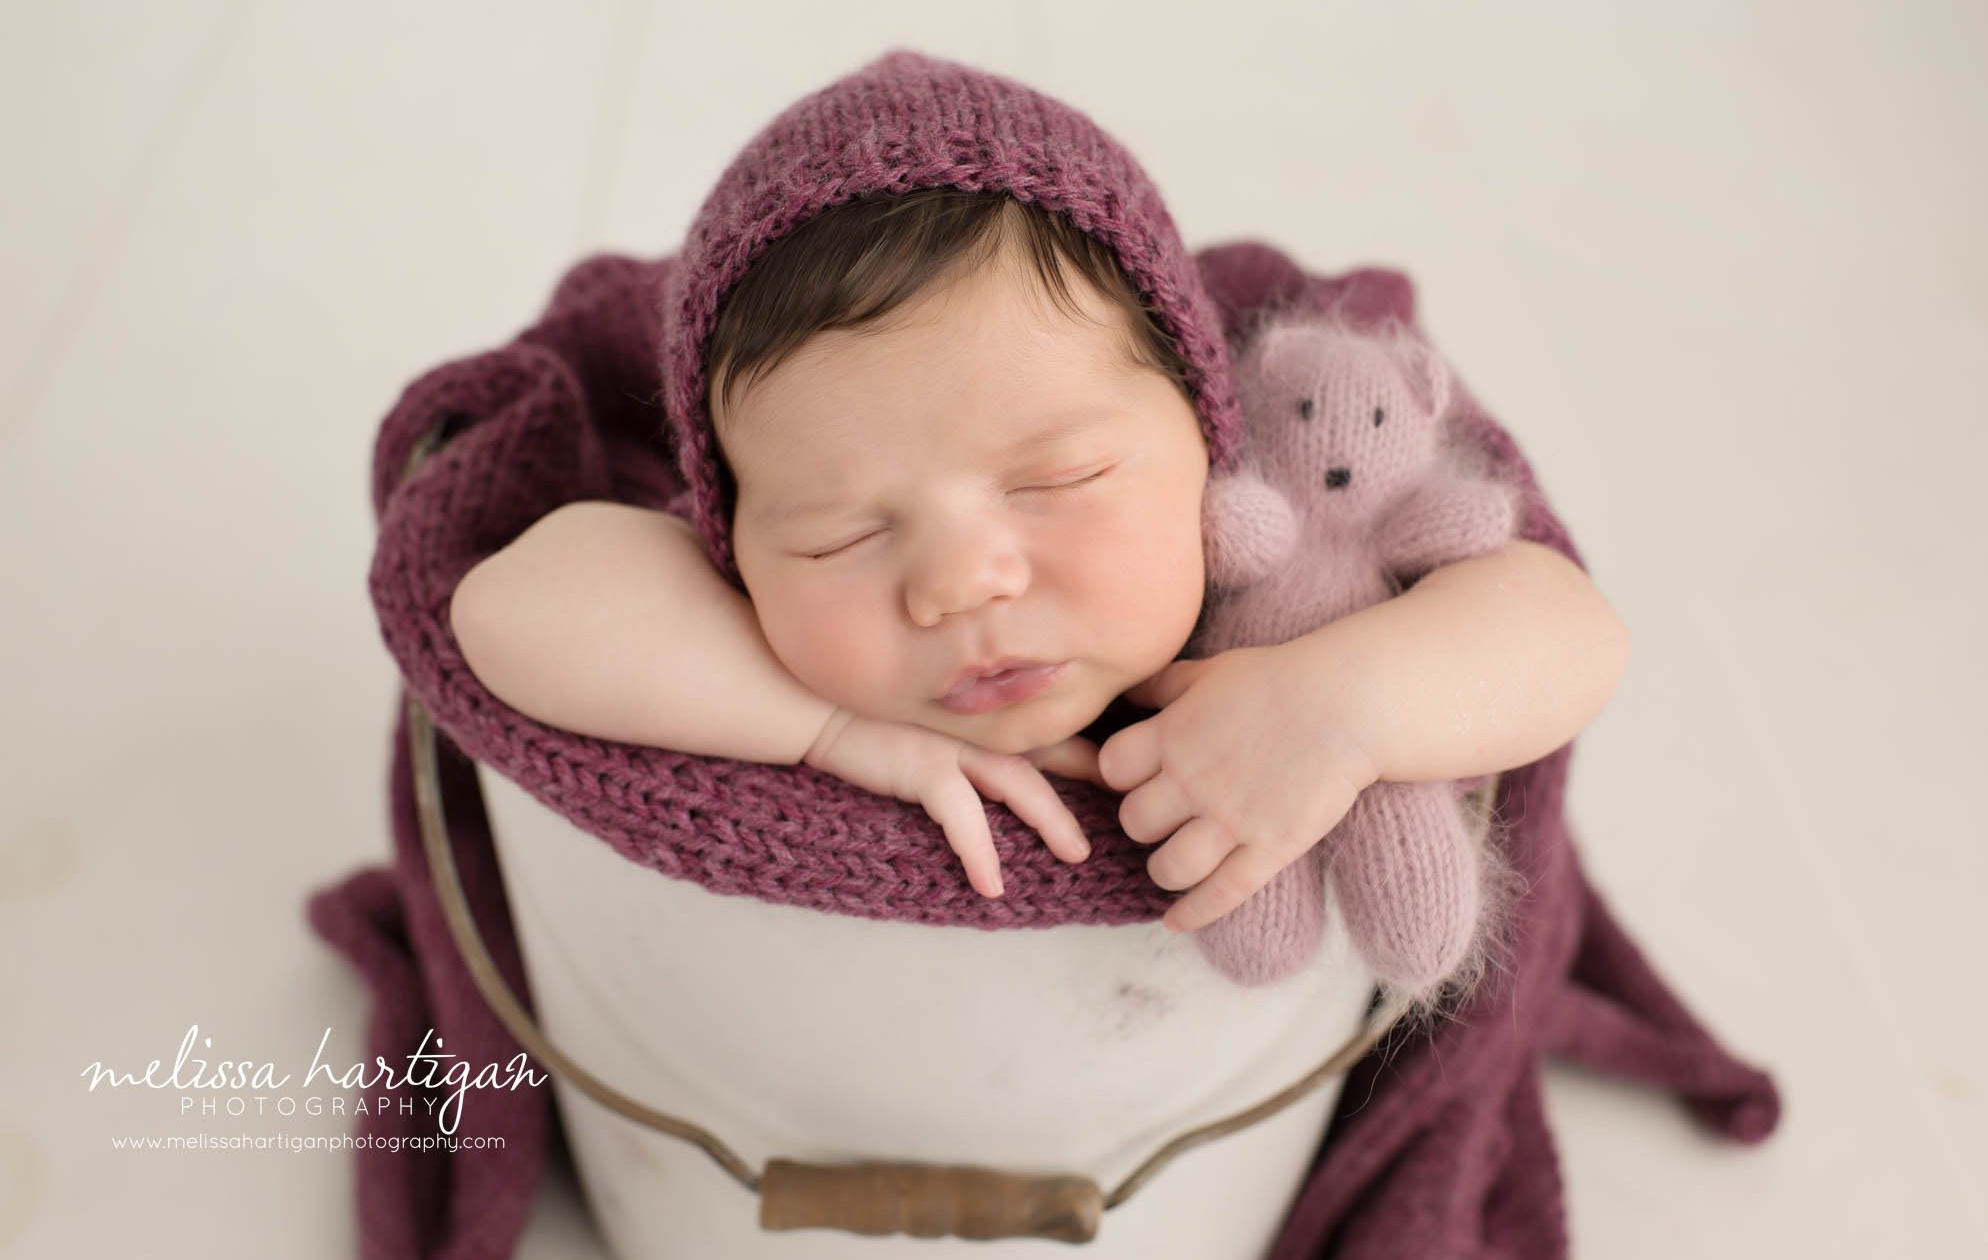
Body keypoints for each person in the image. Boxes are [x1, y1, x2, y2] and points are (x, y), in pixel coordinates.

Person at [446, 52, 1630, 943]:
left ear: (1208, 433)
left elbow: (1567, 626)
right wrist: (831, 729)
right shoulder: (748, 614)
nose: (961, 582)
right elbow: (507, 608)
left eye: (1055, 479)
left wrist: (1342, 703)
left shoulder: (1287, 542)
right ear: (732, 546)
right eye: (839, 534)